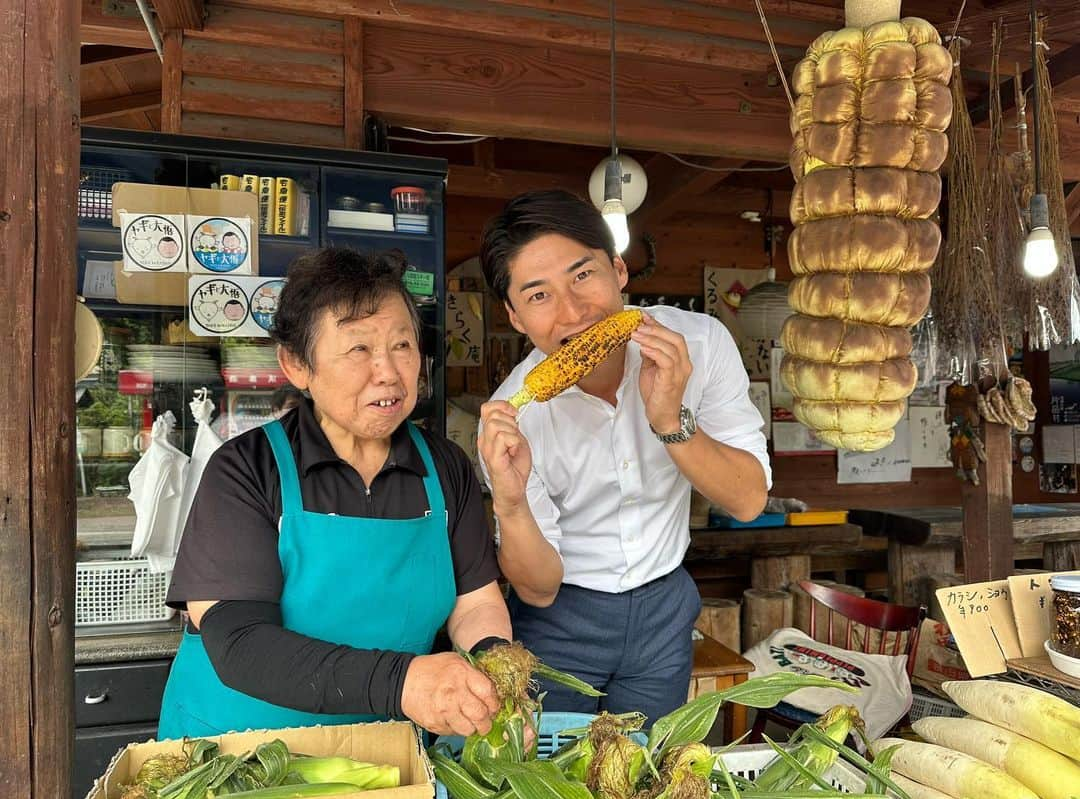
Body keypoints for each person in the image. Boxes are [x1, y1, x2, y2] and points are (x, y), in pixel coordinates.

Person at [159, 247, 510, 740]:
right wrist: (403, 683)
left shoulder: (445, 467)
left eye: (403, 346)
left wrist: (496, 676)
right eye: (359, 349)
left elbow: (475, 605)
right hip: (242, 758)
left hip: (385, 757)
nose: (388, 372)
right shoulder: (246, 470)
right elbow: (239, 641)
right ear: (297, 365)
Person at [477, 190, 771, 722]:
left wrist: (670, 422)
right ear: (515, 316)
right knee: (556, 784)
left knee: (646, 775)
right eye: (539, 296)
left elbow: (749, 499)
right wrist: (511, 502)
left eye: (583, 276)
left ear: (618, 270)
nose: (572, 312)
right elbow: (538, 591)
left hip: (664, 607)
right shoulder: (514, 419)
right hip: (560, 618)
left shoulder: (699, 346)